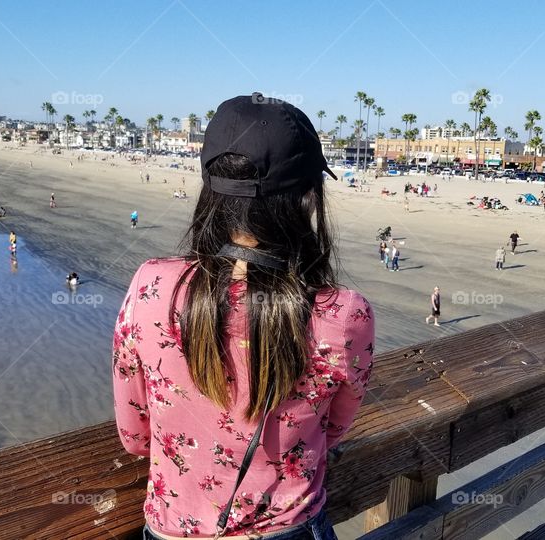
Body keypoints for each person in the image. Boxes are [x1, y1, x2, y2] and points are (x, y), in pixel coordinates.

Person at [113, 94, 373, 540]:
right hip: (287, 528)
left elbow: (135, 436)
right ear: (309, 196)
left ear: (208, 186)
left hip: (173, 530)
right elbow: (333, 430)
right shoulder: (343, 313)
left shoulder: (152, 287)